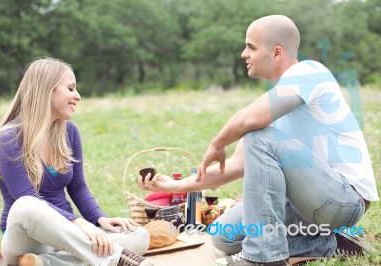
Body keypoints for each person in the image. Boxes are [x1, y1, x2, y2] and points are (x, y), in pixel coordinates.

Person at [139, 15, 378, 265]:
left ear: (276, 53)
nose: (244, 54)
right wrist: (173, 186)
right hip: (308, 207)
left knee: (257, 136)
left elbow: (248, 121)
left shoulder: (309, 73)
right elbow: (233, 166)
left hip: (344, 200)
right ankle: (322, 242)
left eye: (251, 47)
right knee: (223, 235)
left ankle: (263, 258)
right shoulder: (277, 102)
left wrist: (216, 143)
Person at [0, 57, 153, 266]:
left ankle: (41, 263)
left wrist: (99, 219)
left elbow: (78, 186)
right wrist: (79, 224)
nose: (78, 96)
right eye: (71, 88)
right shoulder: (8, 139)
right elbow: (25, 196)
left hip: (66, 237)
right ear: (47, 90)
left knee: (139, 236)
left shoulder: (69, 132)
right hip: (27, 237)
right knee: (27, 205)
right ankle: (115, 260)